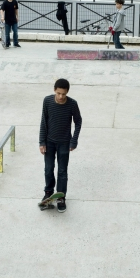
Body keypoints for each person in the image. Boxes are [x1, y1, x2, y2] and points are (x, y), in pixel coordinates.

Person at [39, 78, 82, 213]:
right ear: (54, 90)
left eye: (63, 94)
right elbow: (43, 122)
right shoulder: (47, 101)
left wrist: (74, 140)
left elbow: (78, 122)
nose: (61, 96)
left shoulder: (72, 104)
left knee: (62, 171)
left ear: (67, 92)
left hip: (64, 143)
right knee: (48, 169)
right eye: (58, 93)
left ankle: (61, 197)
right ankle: (48, 193)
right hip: (49, 142)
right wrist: (42, 141)